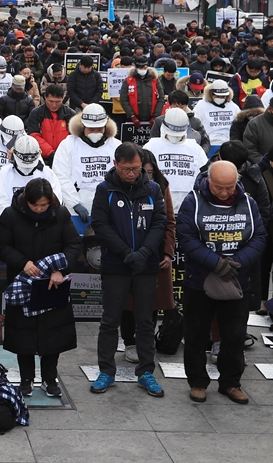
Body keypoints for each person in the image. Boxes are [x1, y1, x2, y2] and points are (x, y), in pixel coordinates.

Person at [176, 161, 267, 404]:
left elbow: (259, 236)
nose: (225, 193)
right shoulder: (192, 201)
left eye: (230, 187)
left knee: (234, 335)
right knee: (195, 334)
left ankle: (231, 382)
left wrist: (237, 262)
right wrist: (215, 263)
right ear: (208, 181)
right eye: (219, 187)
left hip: (237, 279)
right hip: (200, 279)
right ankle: (197, 381)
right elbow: (186, 237)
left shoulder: (248, 202)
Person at [90, 142, 168, 396]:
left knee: (145, 321)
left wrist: (144, 253)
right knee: (110, 320)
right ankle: (106, 371)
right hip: (116, 264)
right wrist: (125, 253)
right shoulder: (105, 190)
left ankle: (146, 372)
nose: (131, 173)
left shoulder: (153, 189)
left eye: (135, 168)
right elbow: (100, 225)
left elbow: (160, 223)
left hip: (146, 265)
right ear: (116, 165)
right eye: (126, 169)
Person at [0, 178, 81, 397]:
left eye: (44, 205)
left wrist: (60, 269)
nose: (40, 209)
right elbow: (2, 246)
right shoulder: (10, 215)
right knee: (23, 334)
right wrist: (22, 262)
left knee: (53, 334)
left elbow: (73, 245)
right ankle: (26, 379)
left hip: (52, 285)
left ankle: (49, 379)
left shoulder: (60, 214)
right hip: (23, 283)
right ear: (27, 201)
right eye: (36, 206)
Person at [53, 103, 119, 226]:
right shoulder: (68, 145)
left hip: (110, 208)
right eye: (91, 129)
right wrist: (74, 203)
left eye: (99, 129)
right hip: (77, 209)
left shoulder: (115, 145)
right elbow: (60, 175)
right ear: (82, 126)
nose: (95, 132)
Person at [143, 108, 209, 204]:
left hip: (189, 203)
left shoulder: (195, 148)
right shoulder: (151, 146)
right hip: (160, 201)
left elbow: (205, 175)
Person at [0, 135, 64, 219]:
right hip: (14, 225)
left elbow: (55, 202)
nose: (26, 168)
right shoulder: (4, 174)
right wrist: (18, 222)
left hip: (43, 224)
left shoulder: (48, 174)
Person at [25, 83, 74, 161]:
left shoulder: (70, 114)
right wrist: (50, 153)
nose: (54, 105)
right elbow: (33, 135)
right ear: (45, 98)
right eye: (51, 101)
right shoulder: (36, 113)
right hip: (41, 158)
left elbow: (74, 138)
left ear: (62, 98)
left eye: (58, 102)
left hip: (65, 158)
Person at [120, 56, 165, 127]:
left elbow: (161, 98)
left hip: (152, 117)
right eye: (140, 68)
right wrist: (131, 115)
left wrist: (155, 116)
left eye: (144, 68)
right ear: (136, 68)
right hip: (134, 118)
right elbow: (123, 99)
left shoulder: (155, 80)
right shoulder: (128, 81)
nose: (142, 70)